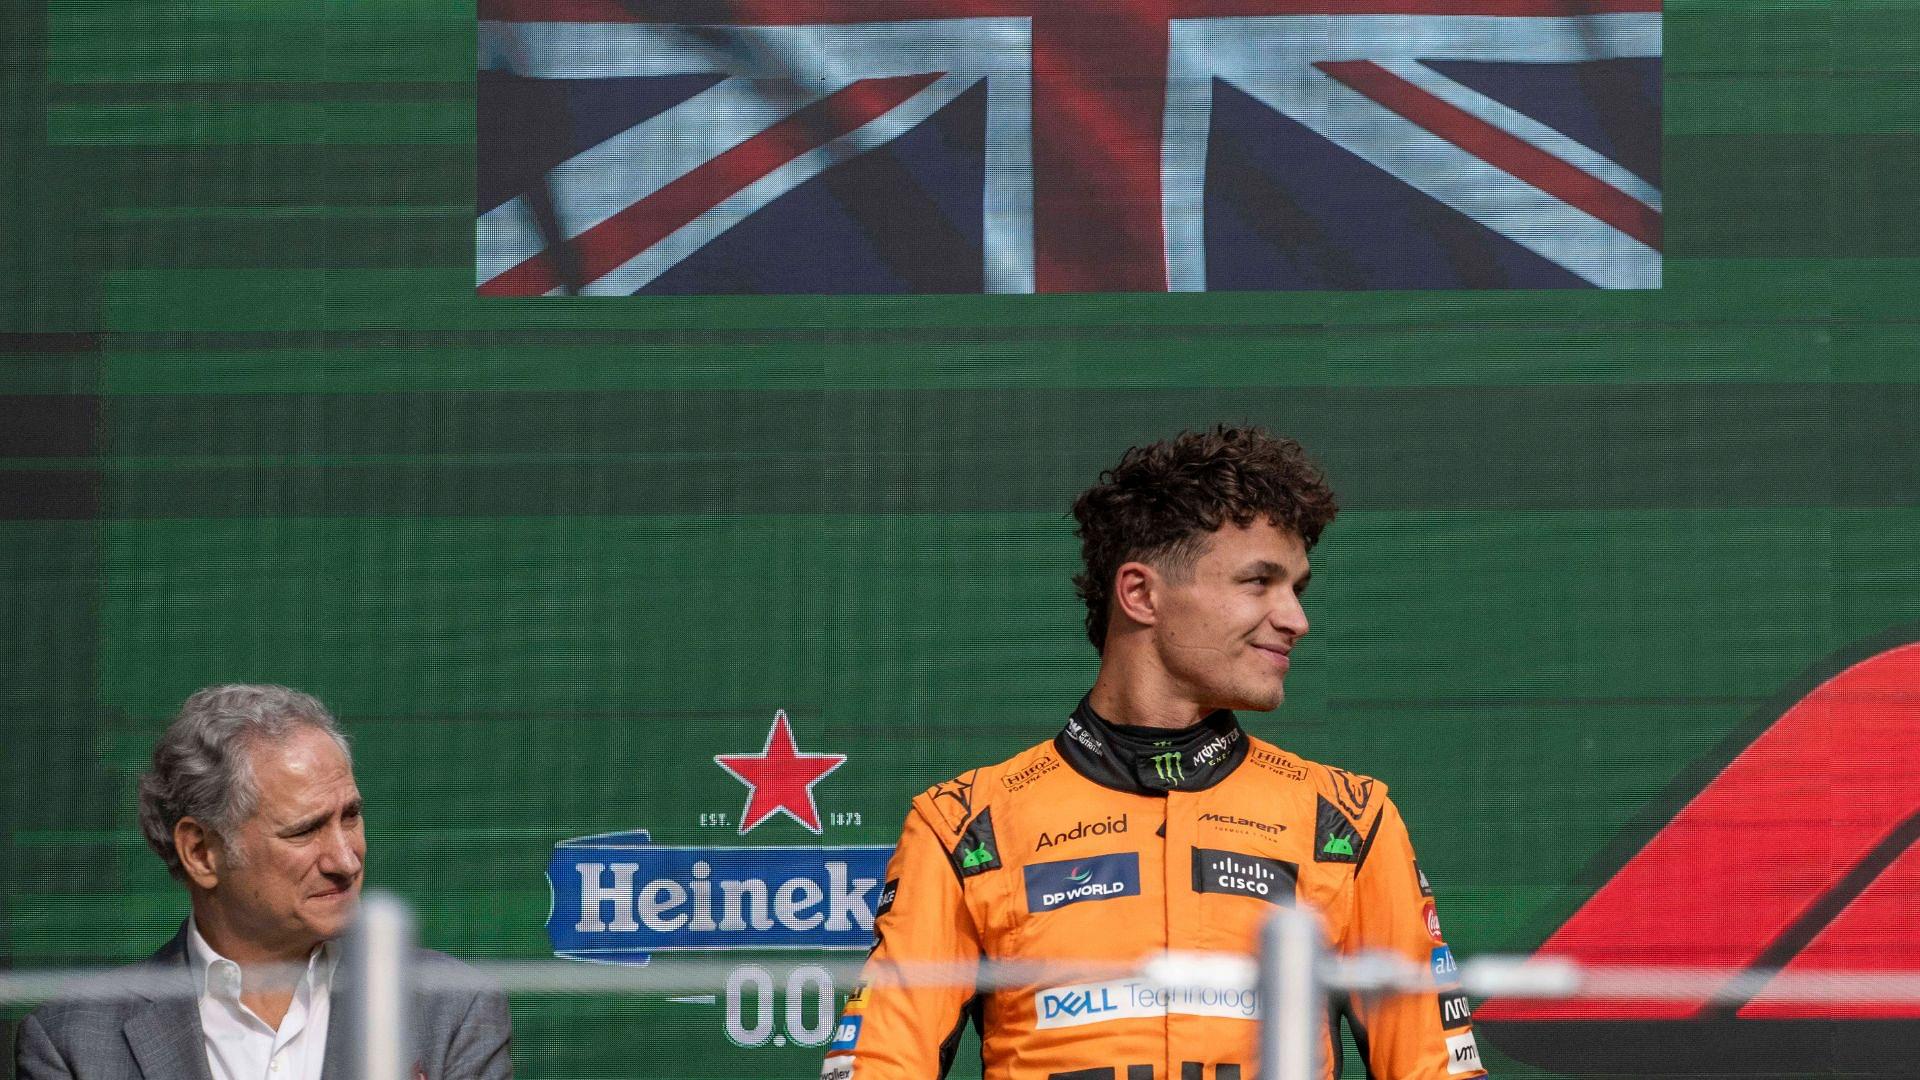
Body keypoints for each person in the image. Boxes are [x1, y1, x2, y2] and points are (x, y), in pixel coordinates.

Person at [824, 427, 1485, 1080]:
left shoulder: (1347, 820)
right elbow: (878, 1067)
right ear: (1140, 594)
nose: (1295, 619)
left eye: (1297, 590)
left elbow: (1435, 1071)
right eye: (1259, 583)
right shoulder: (966, 824)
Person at [15, 685, 512, 1080]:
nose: (345, 859)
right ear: (201, 852)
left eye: (351, 816)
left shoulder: (451, 1007)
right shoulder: (74, 1041)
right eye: (305, 830)